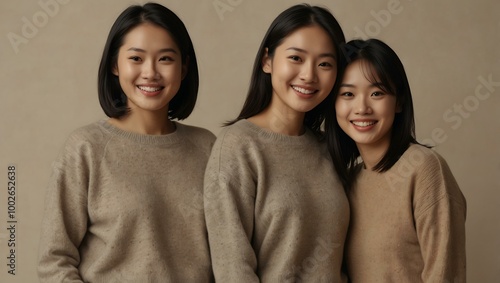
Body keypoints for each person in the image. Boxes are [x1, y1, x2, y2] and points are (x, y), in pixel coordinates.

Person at [37, 3, 215, 282]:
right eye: (136, 58)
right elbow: (54, 261)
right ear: (114, 65)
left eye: (165, 59)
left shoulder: (208, 148)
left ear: (184, 67)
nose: (150, 72)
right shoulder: (86, 148)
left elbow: (230, 251)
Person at [204, 4, 349, 282]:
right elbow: (232, 268)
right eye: (296, 58)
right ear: (267, 60)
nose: (309, 75)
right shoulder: (238, 146)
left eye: (325, 64)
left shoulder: (329, 148)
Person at [326, 38, 466, 282]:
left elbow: (445, 274)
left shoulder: (424, 169)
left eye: (377, 93)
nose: (361, 107)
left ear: (399, 101)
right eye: (348, 93)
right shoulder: (347, 182)